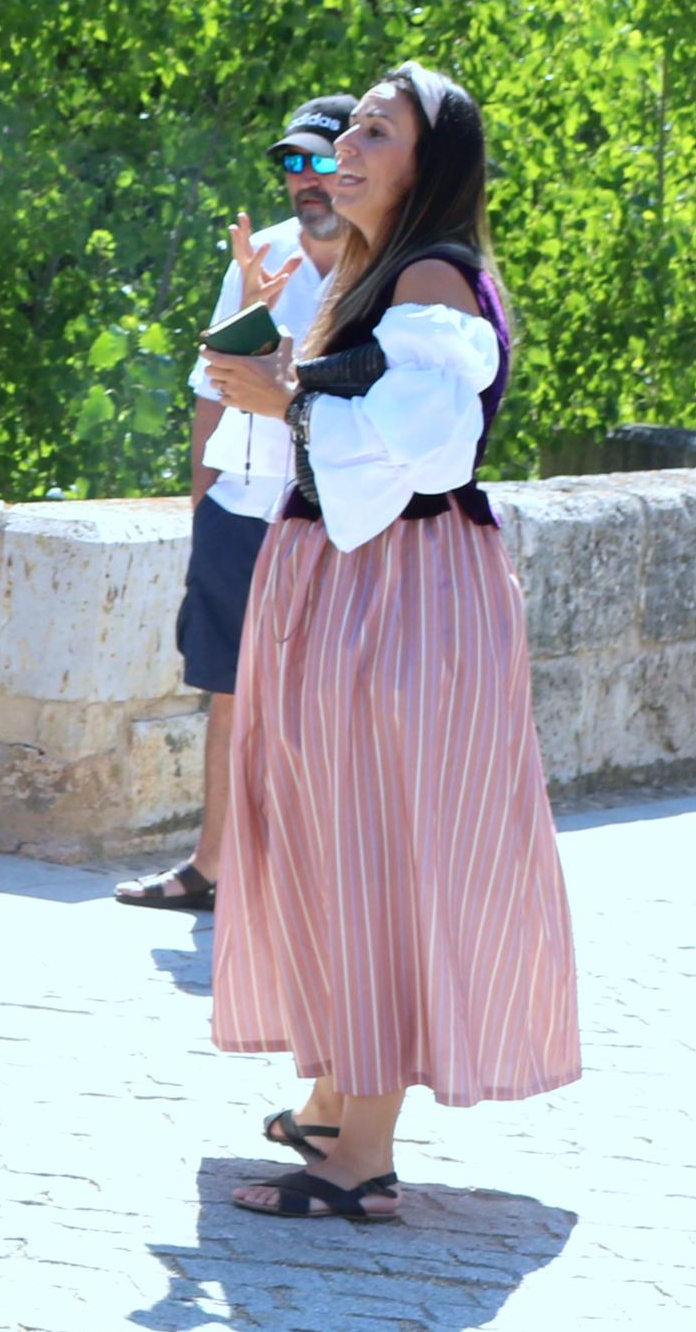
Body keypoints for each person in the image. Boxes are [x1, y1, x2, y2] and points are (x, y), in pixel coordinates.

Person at [196, 66, 576, 1221]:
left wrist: (287, 396)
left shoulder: (429, 278)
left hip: (396, 589)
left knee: (372, 841)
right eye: (346, 127)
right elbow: (291, 394)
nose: (345, 146)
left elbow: (425, 444)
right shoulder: (372, 270)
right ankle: (330, 1096)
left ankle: (359, 1156)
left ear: (428, 163)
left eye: (376, 131)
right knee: (328, 835)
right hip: (353, 582)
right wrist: (276, 343)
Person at [115, 93, 358, 915]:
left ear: (355, 164)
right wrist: (203, 506)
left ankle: (313, 876)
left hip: (334, 516)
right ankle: (210, 865)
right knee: (227, 687)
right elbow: (211, 387)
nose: (306, 181)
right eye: (292, 164)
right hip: (242, 505)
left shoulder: (393, 270)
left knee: (329, 696)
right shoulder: (260, 254)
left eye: (321, 161)